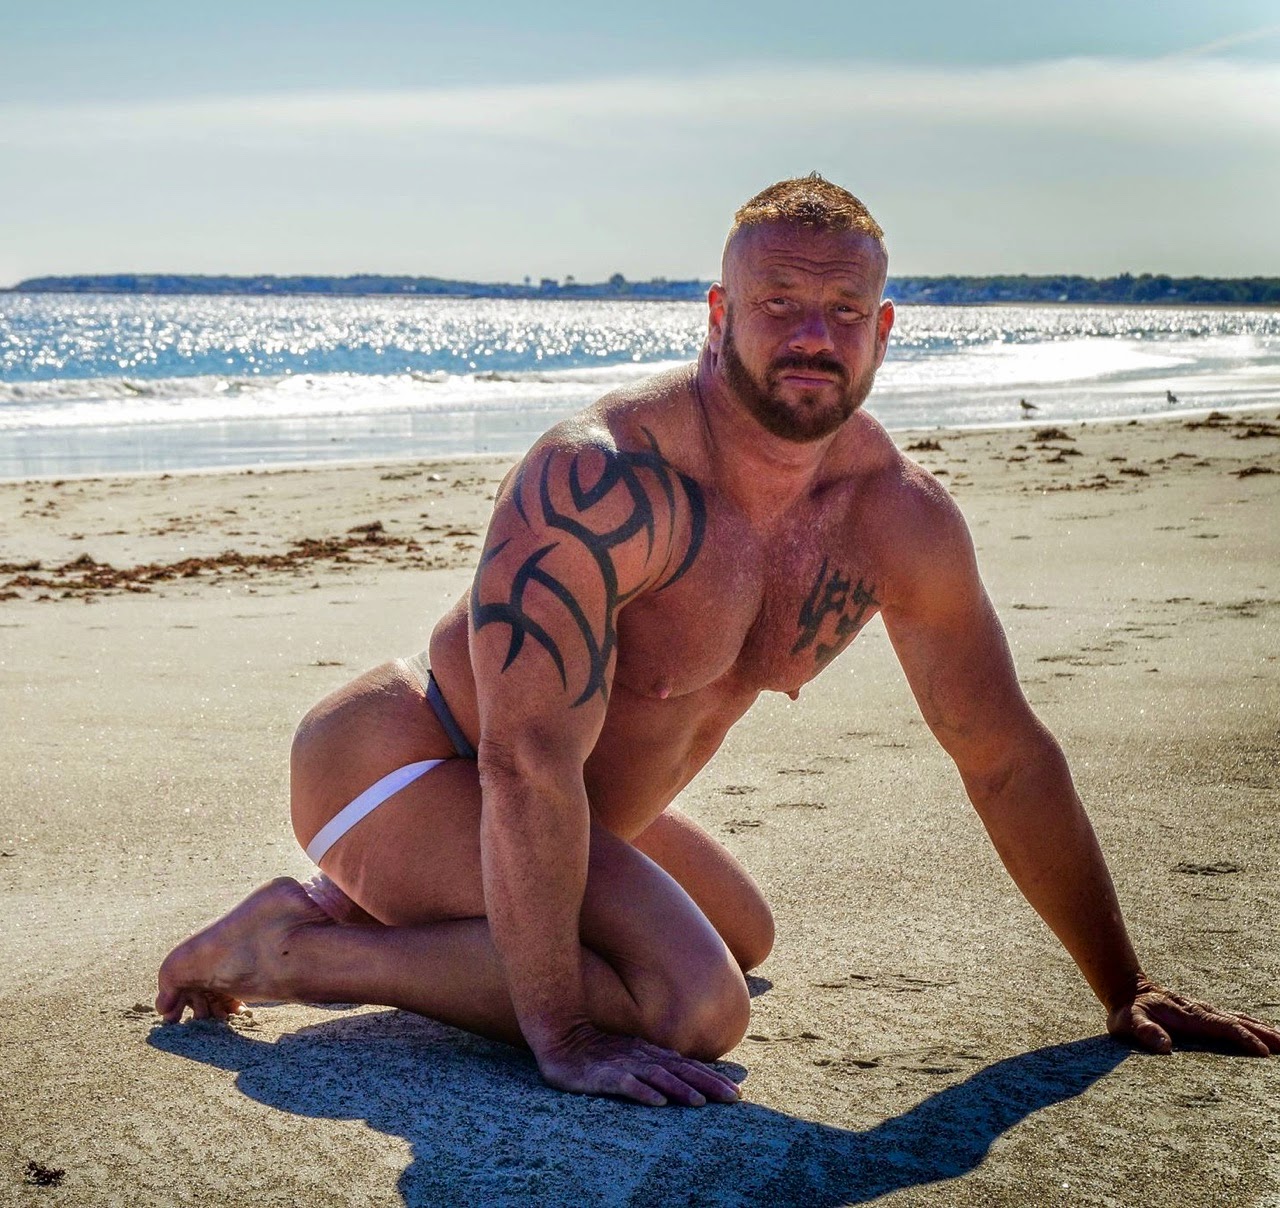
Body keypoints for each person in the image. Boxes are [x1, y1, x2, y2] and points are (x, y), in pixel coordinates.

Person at [157, 175, 1279, 1107]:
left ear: (883, 329)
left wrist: (1123, 984)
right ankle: (293, 949)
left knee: (743, 932)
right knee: (694, 1002)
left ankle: (360, 907)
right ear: (718, 310)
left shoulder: (895, 517)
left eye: (843, 311)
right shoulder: (602, 481)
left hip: (562, 801)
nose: (812, 335)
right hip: (403, 762)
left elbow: (1003, 756)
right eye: (778, 302)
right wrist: (562, 1035)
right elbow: (524, 758)